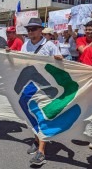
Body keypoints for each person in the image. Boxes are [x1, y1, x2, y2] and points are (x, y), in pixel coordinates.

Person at [20, 18, 62, 166]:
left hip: (46, 85)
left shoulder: (50, 45)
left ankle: (41, 151)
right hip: (30, 84)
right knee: (32, 113)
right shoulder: (25, 45)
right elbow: (21, 61)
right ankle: (37, 139)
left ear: (41, 30)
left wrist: (59, 59)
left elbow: (61, 63)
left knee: (41, 115)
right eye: (28, 29)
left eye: (34, 29)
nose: (30, 32)